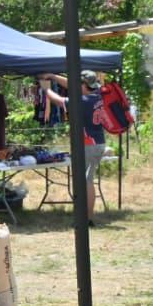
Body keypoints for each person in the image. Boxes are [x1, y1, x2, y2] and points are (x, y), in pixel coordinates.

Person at [39, 70, 108, 224]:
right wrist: (53, 76)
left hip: (88, 144)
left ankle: (87, 219)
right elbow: (73, 85)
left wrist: (46, 89)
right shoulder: (98, 95)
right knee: (87, 180)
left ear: (83, 84)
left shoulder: (81, 101)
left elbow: (59, 100)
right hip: (98, 142)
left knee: (86, 181)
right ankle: (87, 217)